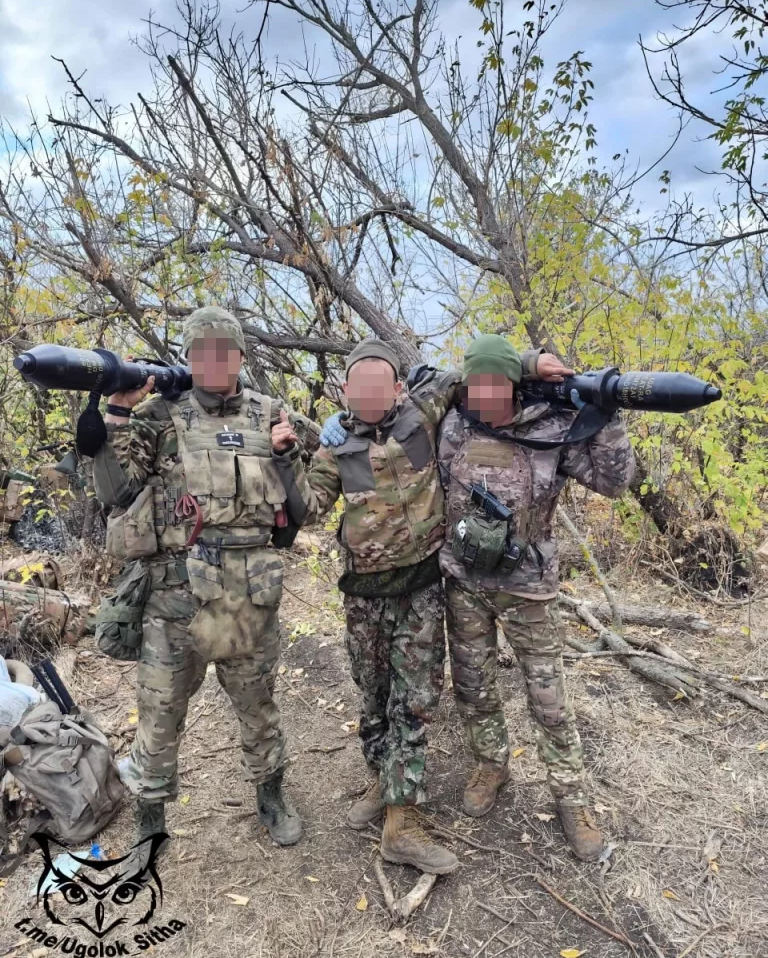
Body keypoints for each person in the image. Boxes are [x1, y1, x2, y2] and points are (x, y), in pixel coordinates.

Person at [271, 337, 564, 874]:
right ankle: (384, 781)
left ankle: (401, 824)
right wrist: (286, 456)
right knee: (374, 696)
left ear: (399, 388)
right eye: (359, 386)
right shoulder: (336, 447)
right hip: (364, 596)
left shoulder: (424, 412)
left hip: (422, 589)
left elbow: (479, 371)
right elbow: (308, 510)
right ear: (344, 389)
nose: (369, 394)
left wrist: (528, 363)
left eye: (380, 384)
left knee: (414, 700)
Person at [92, 307, 320, 849]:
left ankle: (271, 794)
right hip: (176, 596)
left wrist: (287, 457)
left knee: (257, 703)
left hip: (250, 593)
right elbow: (116, 492)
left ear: (239, 355)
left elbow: (305, 509)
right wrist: (117, 415)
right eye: (202, 352)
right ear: (189, 358)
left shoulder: (270, 414)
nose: (214, 361)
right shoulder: (158, 415)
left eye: (224, 350)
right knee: (160, 710)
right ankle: (150, 815)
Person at [438, 335, 636, 861]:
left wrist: (606, 414)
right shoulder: (453, 423)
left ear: (514, 386)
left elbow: (615, 483)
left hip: (527, 588)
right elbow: (420, 385)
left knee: (548, 701)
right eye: (475, 385)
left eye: (495, 384)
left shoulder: (552, 426)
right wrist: (522, 361)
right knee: (474, 687)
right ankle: (491, 765)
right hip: (464, 584)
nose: (483, 395)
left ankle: (572, 800)